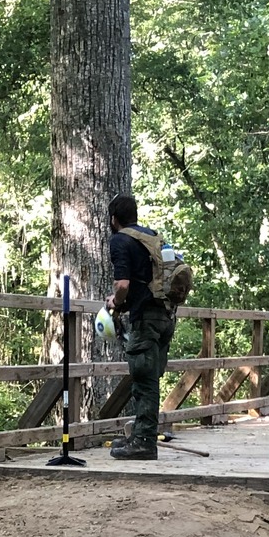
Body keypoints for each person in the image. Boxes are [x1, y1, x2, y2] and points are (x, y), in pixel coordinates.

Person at [104, 193, 176, 460]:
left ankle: (144, 442)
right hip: (166, 316)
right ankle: (140, 436)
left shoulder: (121, 240)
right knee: (150, 379)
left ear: (114, 219)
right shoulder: (152, 237)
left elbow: (123, 285)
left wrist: (116, 303)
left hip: (145, 318)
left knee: (144, 382)